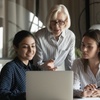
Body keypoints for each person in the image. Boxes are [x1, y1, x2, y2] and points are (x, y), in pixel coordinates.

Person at [33, 4, 76, 71]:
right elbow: (36, 64)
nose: (56, 26)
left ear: (66, 21)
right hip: (41, 73)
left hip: (57, 73)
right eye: (53, 22)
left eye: (60, 22)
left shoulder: (70, 36)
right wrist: (45, 67)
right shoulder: (39, 36)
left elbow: (70, 64)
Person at [0, 30, 37, 100]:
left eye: (33, 46)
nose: (30, 50)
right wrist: (23, 96)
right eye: (25, 47)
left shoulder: (34, 69)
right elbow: (2, 93)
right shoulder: (10, 68)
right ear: (16, 48)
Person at [72, 29, 100, 98]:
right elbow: (72, 89)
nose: (84, 49)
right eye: (83, 45)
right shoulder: (77, 63)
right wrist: (83, 92)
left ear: (99, 48)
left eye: (89, 46)